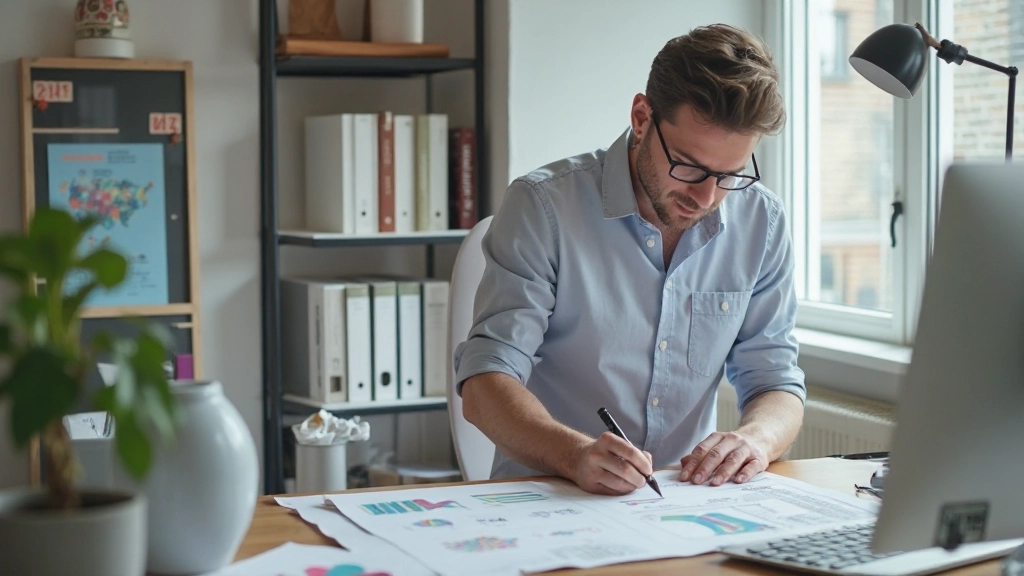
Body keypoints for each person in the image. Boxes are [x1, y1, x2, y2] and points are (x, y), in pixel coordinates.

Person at [454, 24, 805, 496]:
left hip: (683, 505)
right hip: (547, 499)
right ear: (642, 117)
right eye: (689, 166)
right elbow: (484, 384)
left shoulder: (762, 221)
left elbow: (776, 380)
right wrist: (575, 455)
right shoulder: (543, 207)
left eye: (730, 175)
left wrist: (755, 440)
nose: (705, 197)